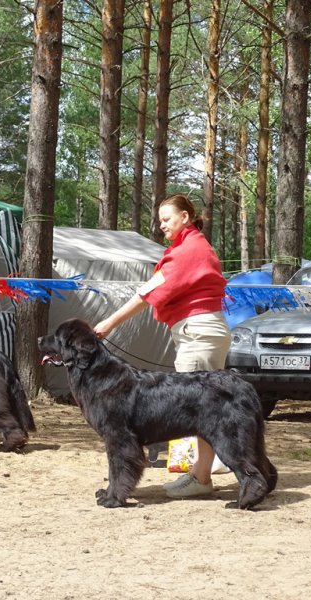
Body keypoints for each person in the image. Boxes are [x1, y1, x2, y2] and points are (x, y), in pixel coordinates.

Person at [94, 193, 231, 499]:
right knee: (201, 409)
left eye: (167, 219)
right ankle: (200, 473)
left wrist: (108, 323)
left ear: (185, 217)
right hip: (198, 332)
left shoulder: (189, 250)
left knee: (202, 411)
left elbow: (147, 293)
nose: (162, 226)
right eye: (159, 221)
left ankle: (202, 477)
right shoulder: (188, 247)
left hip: (199, 334)